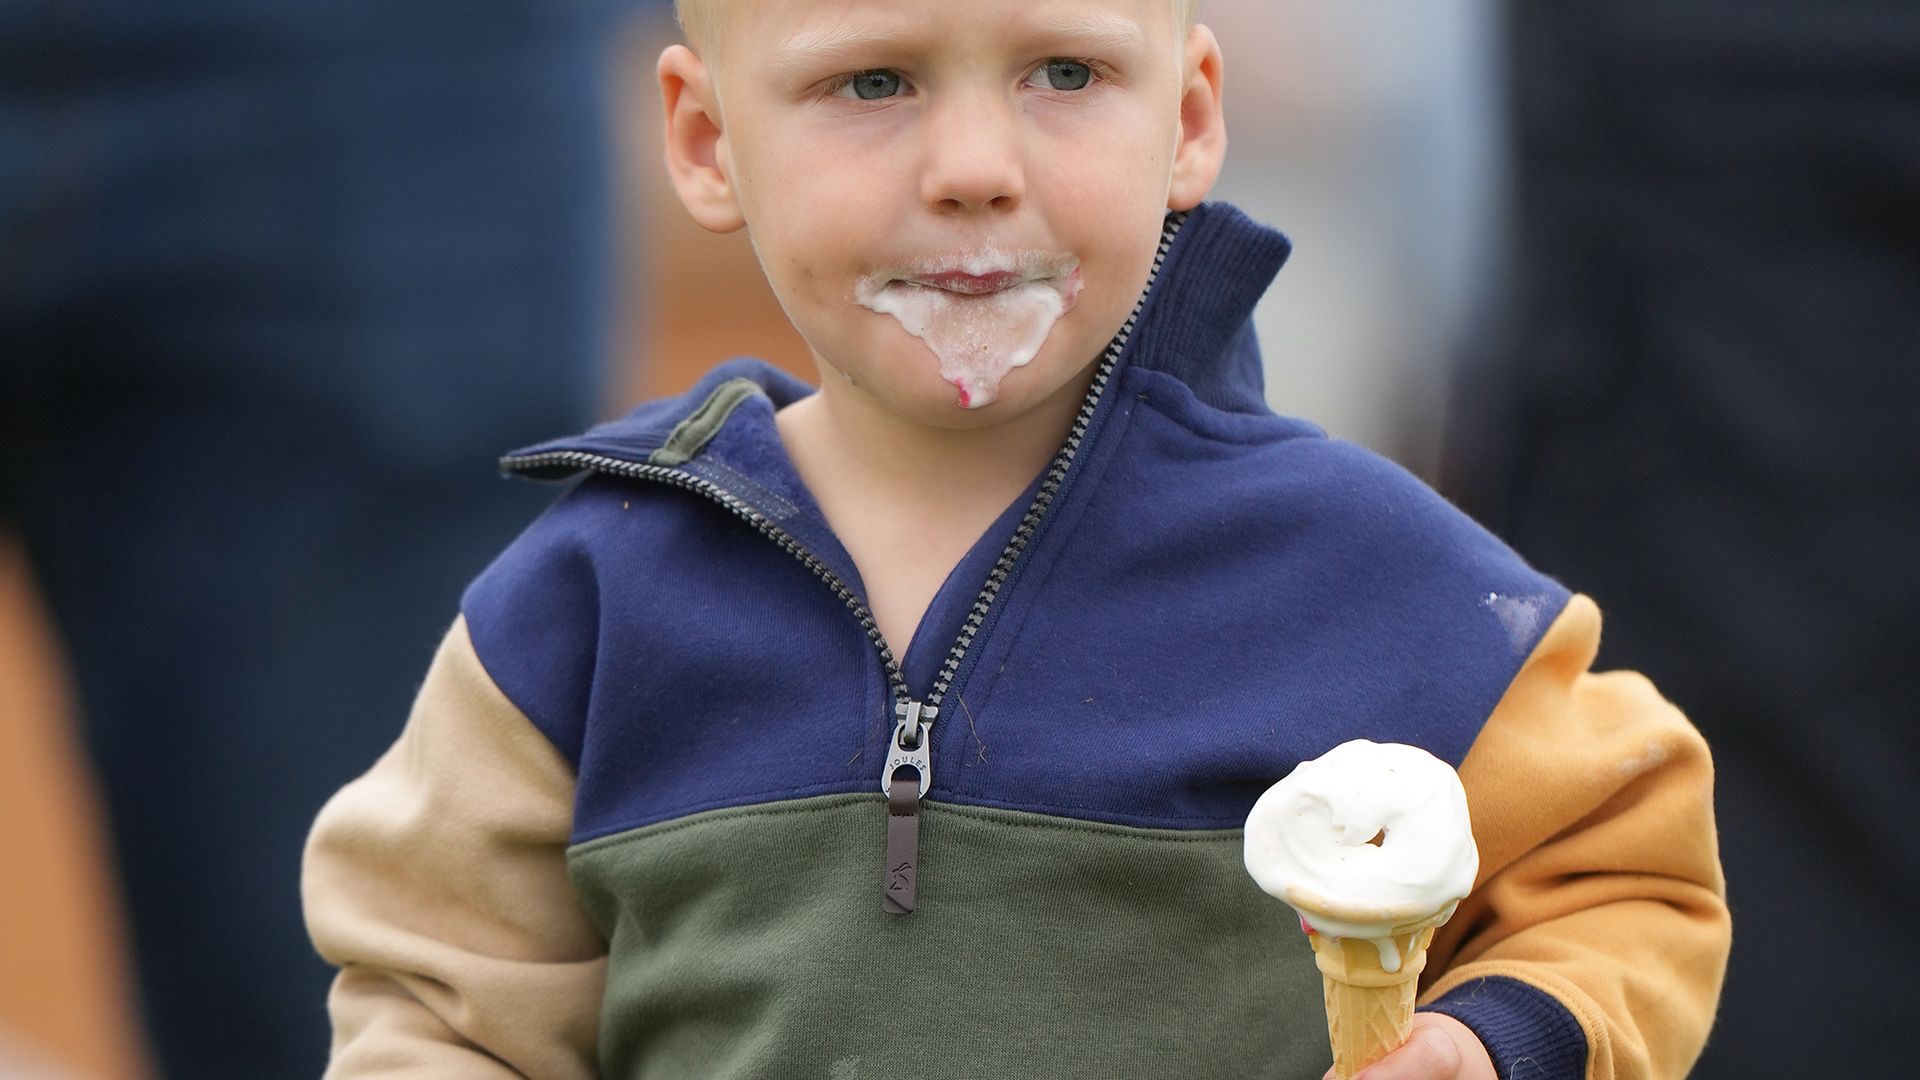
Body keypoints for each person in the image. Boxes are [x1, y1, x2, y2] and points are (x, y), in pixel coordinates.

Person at [301, 1, 1729, 1076]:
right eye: (873, 81)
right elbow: (439, 1000)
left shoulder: (1372, 581)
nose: (975, 167)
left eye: (1066, 74)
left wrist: (1500, 1044)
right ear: (707, 141)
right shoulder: (586, 608)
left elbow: (1625, 875)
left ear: (1187, 118)